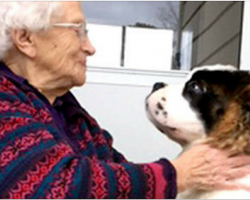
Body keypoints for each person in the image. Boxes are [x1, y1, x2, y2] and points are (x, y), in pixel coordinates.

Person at [0, 1, 250, 199]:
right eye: (77, 31)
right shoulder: (4, 102)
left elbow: (123, 182)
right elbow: (53, 187)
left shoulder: (67, 111)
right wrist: (180, 174)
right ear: (26, 39)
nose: (89, 47)